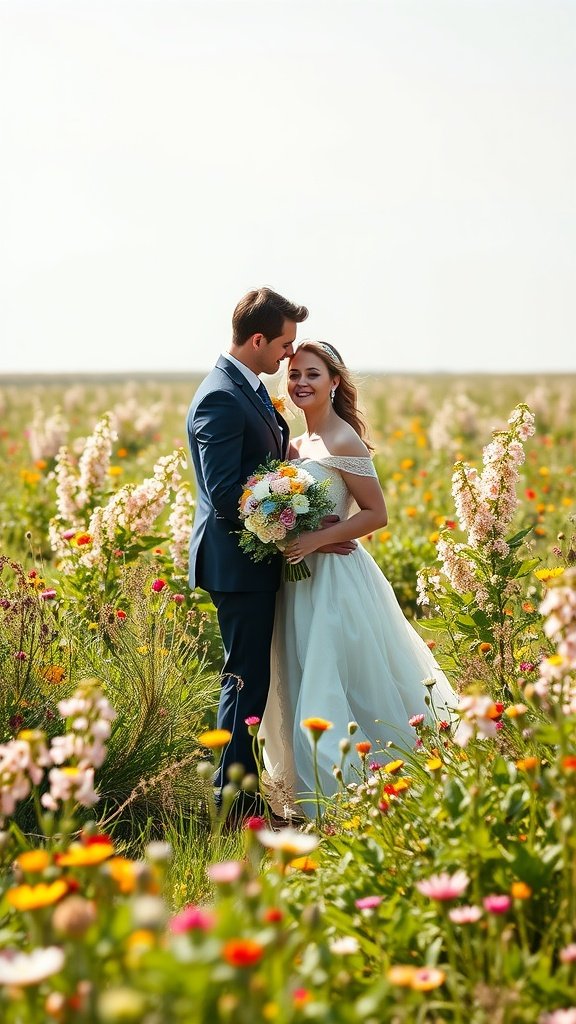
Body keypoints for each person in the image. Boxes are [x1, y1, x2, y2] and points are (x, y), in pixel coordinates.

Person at [260, 341, 459, 817]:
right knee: (300, 670)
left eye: (312, 374)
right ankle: (308, 786)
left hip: (337, 581)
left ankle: (349, 791)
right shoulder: (294, 443)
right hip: (296, 582)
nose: (301, 383)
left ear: (334, 382)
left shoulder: (343, 439)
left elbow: (377, 514)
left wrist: (313, 542)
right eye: (293, 375)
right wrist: (293, 534)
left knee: (333, 676)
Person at [186, 290, 353, 822]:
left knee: (254, 677)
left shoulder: (247, 389)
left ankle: (246, 796)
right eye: (282, 345)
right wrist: (298, 533)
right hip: (237, 566)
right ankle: (234, 805)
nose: (287, 357)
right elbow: (226, 495)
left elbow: (268, 472)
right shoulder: (220, 396)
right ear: (257, 339)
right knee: (244, 679)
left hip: (257, 563)